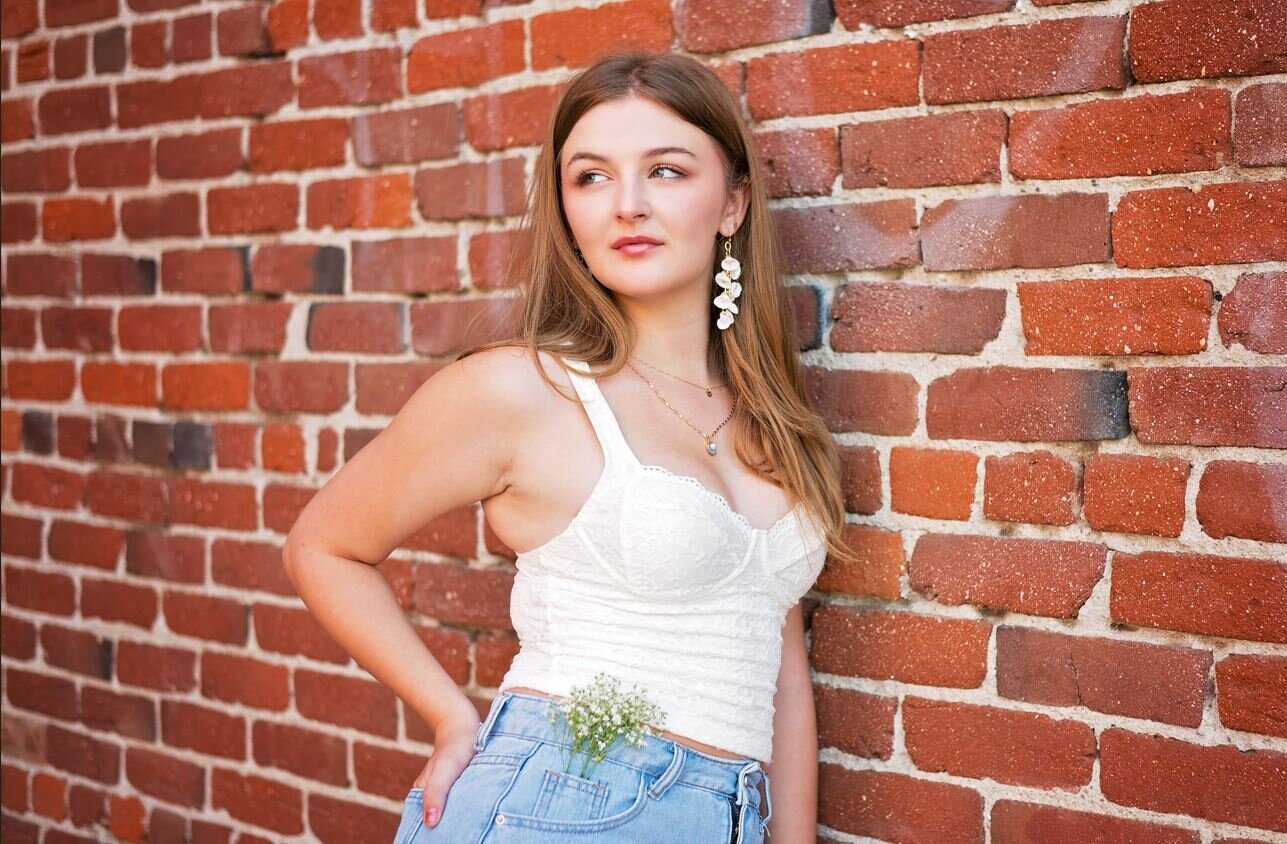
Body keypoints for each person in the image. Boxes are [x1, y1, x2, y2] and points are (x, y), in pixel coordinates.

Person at [283, 49, 854, 843]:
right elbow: (322, 547)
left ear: (732, 204)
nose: (627, 206)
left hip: (725, 814)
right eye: (590, 177)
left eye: (665, 171)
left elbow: (778, 667)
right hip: (560, 800)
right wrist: (451, 717)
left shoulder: (772, 418)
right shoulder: (524, 388)